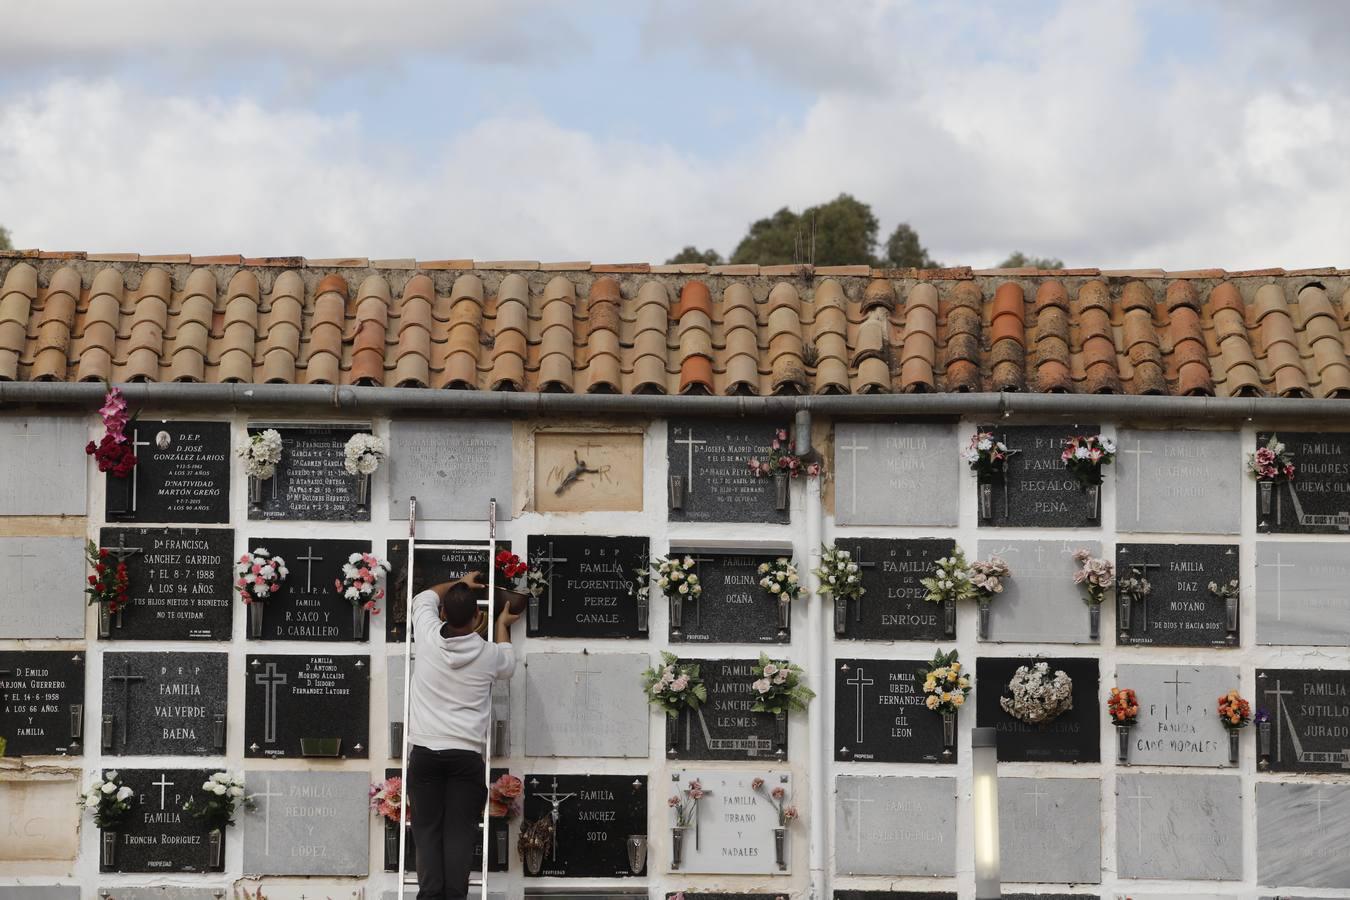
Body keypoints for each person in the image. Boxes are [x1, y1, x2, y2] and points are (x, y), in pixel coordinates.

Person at [406, 571, 520, 900]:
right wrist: (502, 623)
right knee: (459, 836)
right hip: (465, 759)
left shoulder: (426, 635)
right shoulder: (488, 656)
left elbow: (425, 594)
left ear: (442, 614)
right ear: (476, 616)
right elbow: (509, 663)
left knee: (427, 834)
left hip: (426, 754)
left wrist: (460, 585)